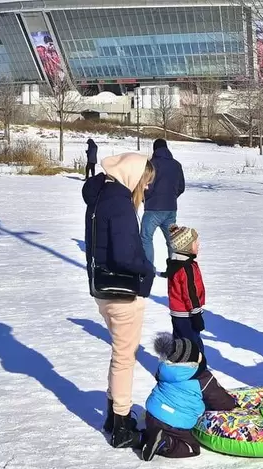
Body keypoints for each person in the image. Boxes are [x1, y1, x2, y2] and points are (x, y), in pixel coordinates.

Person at [82, 152, 157, 449]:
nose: (147, 188)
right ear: (133, 175)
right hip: (123, 292)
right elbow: (126, 255)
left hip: (103, 290)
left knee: (119, 354)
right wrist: (148, 270)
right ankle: (122, 424)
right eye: (146, 182)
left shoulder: (100, 195)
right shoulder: (121, 203)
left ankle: (114, 416)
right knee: (125, 358)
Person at [141, 333, 237, 461]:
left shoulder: (163, 369)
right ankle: (165, 442)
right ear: (191, 360)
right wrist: (233, 405)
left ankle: (141, 438)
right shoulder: (201, 377)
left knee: (153, 432)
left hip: (152, 415)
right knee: (191, 448)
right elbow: (219, 399)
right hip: (174, 423)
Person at [142, 139, 185, 276]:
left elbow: (148, 187)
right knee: (172, 240)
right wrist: (171, 197)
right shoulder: (176, 165)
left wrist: (145, 198)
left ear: (155, 149)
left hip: (153, 208)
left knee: (146, 237)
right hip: (171, 209)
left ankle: (148, 269)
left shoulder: (152, 165)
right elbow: (181, 187)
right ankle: (173, 271)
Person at [165, 225, 205, 352]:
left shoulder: (175, 264)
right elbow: (190, 293)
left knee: (179, 343)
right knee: (192, 345)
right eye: (195, 242)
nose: (198, 244)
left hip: (177, 313)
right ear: (185, 247)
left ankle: (178, 366)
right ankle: (197, 369)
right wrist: (196, 314)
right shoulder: (186, 268)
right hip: (187, 313)